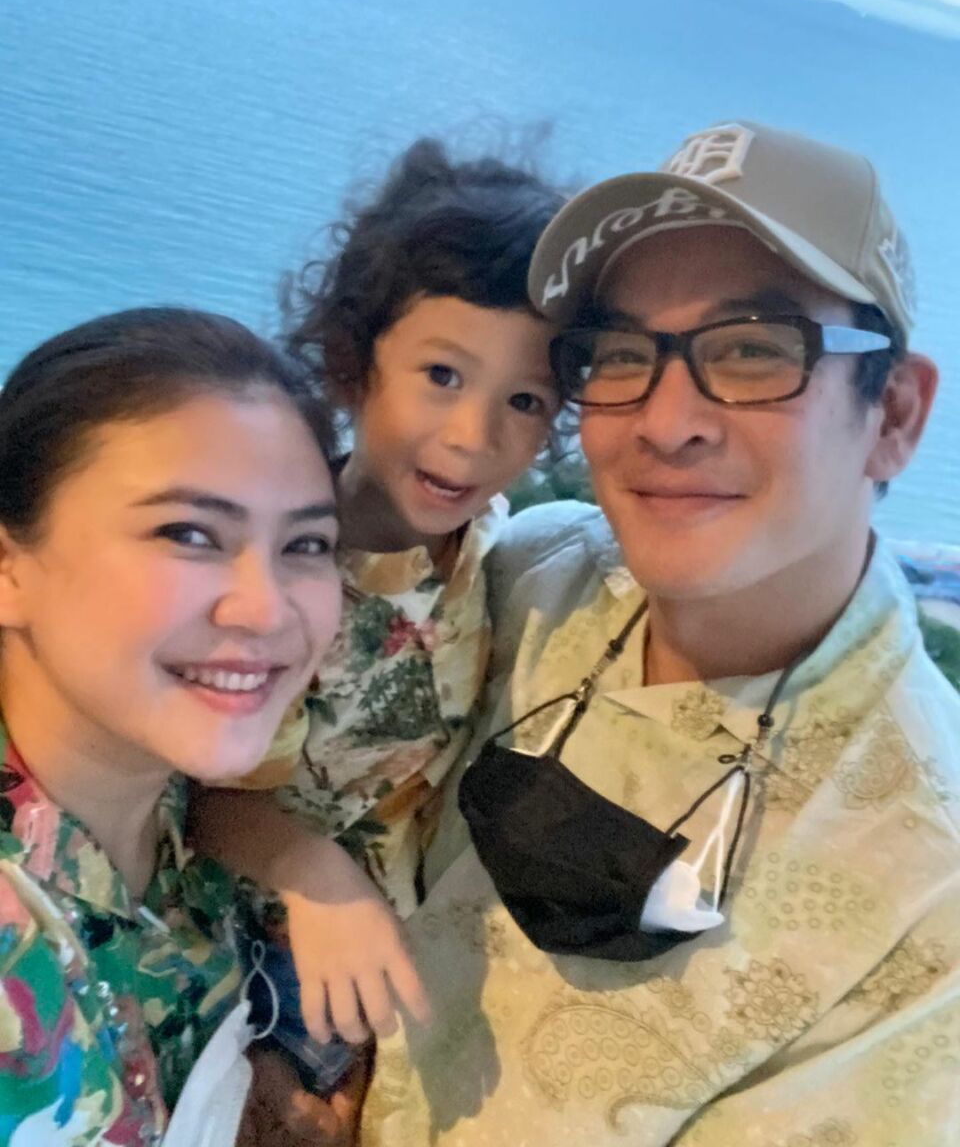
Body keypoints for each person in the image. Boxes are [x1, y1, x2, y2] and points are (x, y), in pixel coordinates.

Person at [360, 121, 960, 1145]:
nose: (665, 421)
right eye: (620, 355)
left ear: (895, 414)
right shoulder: (529, 574)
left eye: (753, 350)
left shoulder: (928, 884)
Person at [192, 136, 566, 1061]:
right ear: (352, 363)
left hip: (386, 953)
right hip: (245, 945)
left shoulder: (490, 544)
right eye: (442, 376)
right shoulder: (274, 568)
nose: (474, 435)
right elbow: (191, 787)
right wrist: (312, 872)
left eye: (525, 400)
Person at [0, 308, 342, 1144]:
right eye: (189, 534)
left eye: (307, 544)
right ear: (9, 570)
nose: (267, 610)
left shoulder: (190, 840)